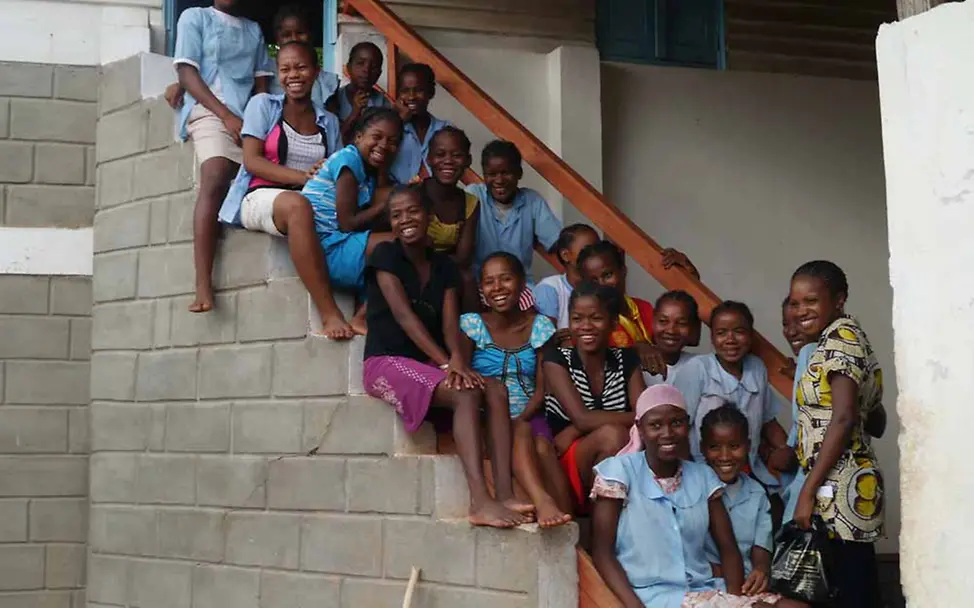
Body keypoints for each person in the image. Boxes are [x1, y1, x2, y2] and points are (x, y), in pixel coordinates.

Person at [361, 185, 532, 528]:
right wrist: (446, 363)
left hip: (428, 364)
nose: (405, 220)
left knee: (496, 389)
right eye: (396, 215)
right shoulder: (385, 256)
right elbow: (404, 316)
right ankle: (480, 502)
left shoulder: (444, 267)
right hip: (386, 362)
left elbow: (450, 322)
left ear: (429, 216)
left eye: (412, 211)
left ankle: (505, 492)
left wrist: (458, 358)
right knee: (465, 393)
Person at [217, 41, 352, 339]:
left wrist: (323, 172)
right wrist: (303, 177)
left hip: (309, 199)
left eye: (302, 67)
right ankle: (328, 312)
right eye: (285, 69)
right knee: (296, 206)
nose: (294, 75)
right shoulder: (263, 105)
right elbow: (252, 161)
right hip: (260, 198)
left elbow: (338, 169)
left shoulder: (328, 122)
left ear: (316, 71)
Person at [591, 384, 756, 608]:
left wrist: (736, 600)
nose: (667, 433)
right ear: (639, 428)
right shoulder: (619, 473)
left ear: (687, 425)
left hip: (705, 589)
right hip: (649, 597)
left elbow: (728, 547)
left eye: (676, 423)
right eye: (655, 425)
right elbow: (602, 553)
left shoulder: (703, 476)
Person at [789, 261, 886, 608]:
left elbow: (843, 419)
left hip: (840, 492)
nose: (801, 311)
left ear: (839, 299)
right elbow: (876, 421)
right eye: (795, 302)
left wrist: (807, 490)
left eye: (811, 301)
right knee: (855, 586)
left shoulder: (841, 341)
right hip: (848, 486)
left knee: (850, 590)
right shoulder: (840, 338)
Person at [172, 0, 274, 313]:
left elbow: (261, 84)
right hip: (209, 110)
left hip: (245, 118)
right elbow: (187, 73)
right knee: (216, 174)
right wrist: (225, 115)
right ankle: (203, 282)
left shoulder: (253, 30)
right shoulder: (195, 17)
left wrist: (257, 123)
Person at [459, 252, 572, 528]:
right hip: (487, 418)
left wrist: (520, 418)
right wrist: (508, 422)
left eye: (505, 279)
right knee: (523, 433)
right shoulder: (472, 325)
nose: (497, 288)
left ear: (522, 284)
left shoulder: (540, 326)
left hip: (531, 413)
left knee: (542, 447)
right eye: (488, 282)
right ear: (481, 290)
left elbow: (543, 388)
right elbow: (463, 373)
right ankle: (542, 500)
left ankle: (566, 516)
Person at [543, 281, 646, 510]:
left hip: (619, 455)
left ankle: (603, 516)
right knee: (612, 435)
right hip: (565, 461)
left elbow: (645, 415)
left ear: (613, 323)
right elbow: (582, 417)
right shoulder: (557, 359)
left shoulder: (627, 359)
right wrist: (582, 423)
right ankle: (599, 516)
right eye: (577, 319)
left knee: (617, 438)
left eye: (596, 318)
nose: (585, 326)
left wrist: (577, 428)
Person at [301, 107, 402, 334]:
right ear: (358, 137)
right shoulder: (349, 160)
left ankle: (370, 311)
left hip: (337, 243)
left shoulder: (367, 171)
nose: (384, 145)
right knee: (401, 245)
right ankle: (361, 318)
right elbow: (347, 223)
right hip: (324, 249)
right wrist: (382, 207)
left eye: (392, 141)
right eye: (376, 137)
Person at [671, 301, 790, 491]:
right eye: (721, 333)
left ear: (750, 336)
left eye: (739, 331)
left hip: (747, 469)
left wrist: (785, 449)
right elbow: (678, 427)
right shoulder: (699, 369)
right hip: (704, 469)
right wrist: (691, 478)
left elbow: (768, 419)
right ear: (712, 337)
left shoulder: (757, 367)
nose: (730, 339)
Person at [165, 4, 341, 112]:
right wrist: (182, 84)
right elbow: (234, 79)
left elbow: (333, 119)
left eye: (300, 33)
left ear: (312, 36)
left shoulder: (325, 79)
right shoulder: (270, 71)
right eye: (287, 34)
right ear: (277, 39)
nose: (294, 39)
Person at [700, 405, 776, 596]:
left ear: (749, 446)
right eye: (714, 447)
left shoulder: (757, 494)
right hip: (703, 583)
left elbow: (761, 544)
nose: (725, 456)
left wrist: (761, 569)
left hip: (746, 584)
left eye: (734, 447)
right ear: (702, 448)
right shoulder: (693, 486)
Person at [468, 140, 562, 278]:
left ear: (519, 173)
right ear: (484, 175)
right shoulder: (474, 195)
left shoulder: (532, 201)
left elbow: (556, 240)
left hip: (520, 287)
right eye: (492, 174)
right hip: (480, 284)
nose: (499, 180)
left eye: (506, 173)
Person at [576, 240, 668, 376]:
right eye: (593, 281)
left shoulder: (643, 307)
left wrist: (690, 274)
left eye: (607, 275)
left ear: (623, 271)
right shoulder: (588, 324)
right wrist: (634, 349)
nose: (602, 285)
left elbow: (674, 341)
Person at [419, 127, 480, 310]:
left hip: (447, 268)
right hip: (414, 264)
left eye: (456, 155)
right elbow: (410, 248)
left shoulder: (470, 202)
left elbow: (463, 258)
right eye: (440, 154)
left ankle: (476, 333)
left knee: (466, 277)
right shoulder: (415, 195)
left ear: (468, 160)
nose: (448, 161)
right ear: (429, 159)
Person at [389, 63, 451, 185]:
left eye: (419, 90)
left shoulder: (444, 130)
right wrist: (399, 122)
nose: (411, 97)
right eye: (405, 91)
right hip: (397, 197)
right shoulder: (391, 129)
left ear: (431, 92)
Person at [534, 223, 600, 332]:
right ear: (565, 255)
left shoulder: (601, 285)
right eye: (587, 250)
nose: (595, 255)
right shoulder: (550, 288)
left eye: (597, 249)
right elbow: (546, 336)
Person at [327, 41, 391, 143]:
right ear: (348, 67)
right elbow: (334, 141)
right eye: (360, 63)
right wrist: (355, 112)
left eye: (373, 67)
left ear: (379, 73)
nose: (366, 70)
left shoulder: (383, 104)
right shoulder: (334, 99)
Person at [643, 290, 700, 386]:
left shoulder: (699, 366)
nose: (671, 330)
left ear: (692, 327)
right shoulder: (635, 365)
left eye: (681, 323)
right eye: (663, 321)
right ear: (652, 321)